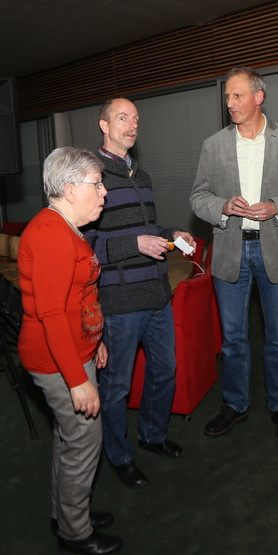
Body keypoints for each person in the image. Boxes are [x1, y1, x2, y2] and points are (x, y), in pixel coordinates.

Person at [189, 67, 278, 444]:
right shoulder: (213, 145)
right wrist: (222, 206)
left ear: (258, 97)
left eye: (237, 96)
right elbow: (198, 197)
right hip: (230, 251)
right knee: (233, 338)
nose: (230, 103)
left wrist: (277, 206)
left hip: (277, 250)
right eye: (227, 97)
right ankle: (235, 404)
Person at [84, 97, 195, 489]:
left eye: (135, 118)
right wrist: (135, 244)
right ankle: (119, 455)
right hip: (120, 301)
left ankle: (152, 434)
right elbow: (86, 245)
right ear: (104, 125)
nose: (132, 125)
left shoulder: (141, 175)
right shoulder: (92, 176)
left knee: (165, 372)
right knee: (117, 386)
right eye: (122, 118)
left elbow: (148, 231)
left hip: (157, 293)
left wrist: (171, 234)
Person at [16, 146, 120, 555]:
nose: (104, 192)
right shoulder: (51, 235)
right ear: (70, 189)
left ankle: (66, 515)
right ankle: (76, 533)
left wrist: (94, 341)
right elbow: (52, 315)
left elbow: (78, 297)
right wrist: (77, 381)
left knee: (69, 437)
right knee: (82, 441)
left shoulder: (63, 227)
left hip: (74, 353)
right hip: (58, 362)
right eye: (97, 184)